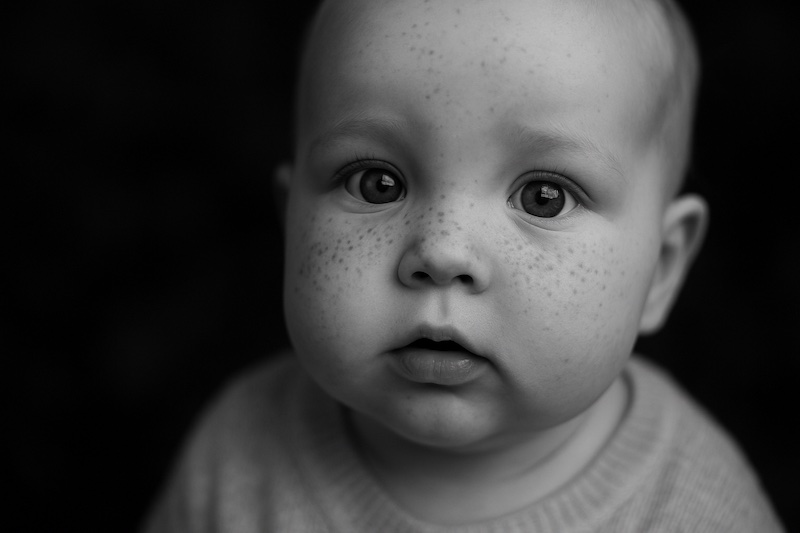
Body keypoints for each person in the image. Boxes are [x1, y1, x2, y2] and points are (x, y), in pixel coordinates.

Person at [143, 0, 783, 530]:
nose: (443, 251)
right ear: (293, 225)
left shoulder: (698, 510)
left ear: (662, 268)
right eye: (376, 183)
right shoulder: (234, 459)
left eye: (544, 197)